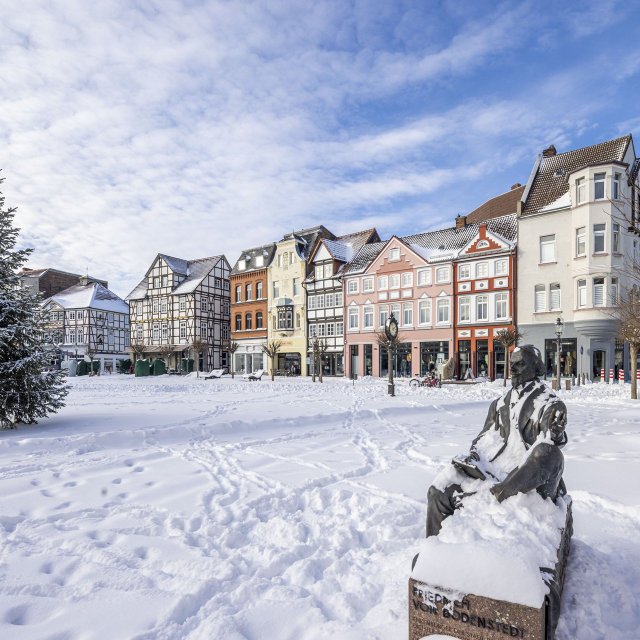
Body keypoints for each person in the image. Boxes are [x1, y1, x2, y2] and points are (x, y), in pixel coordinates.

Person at [426, 344, 568, 537]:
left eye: (520, 364)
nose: (513, 369)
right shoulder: (499, 404)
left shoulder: (549, 402)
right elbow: (484, 438)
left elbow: (550, 441)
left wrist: (557, 433)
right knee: (438, 490)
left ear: (536, 368)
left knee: (548, 452)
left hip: (526, 479)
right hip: (492, 472)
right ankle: (435, 549)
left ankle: (497, 496)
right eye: (512, 364)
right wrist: (474, 458)